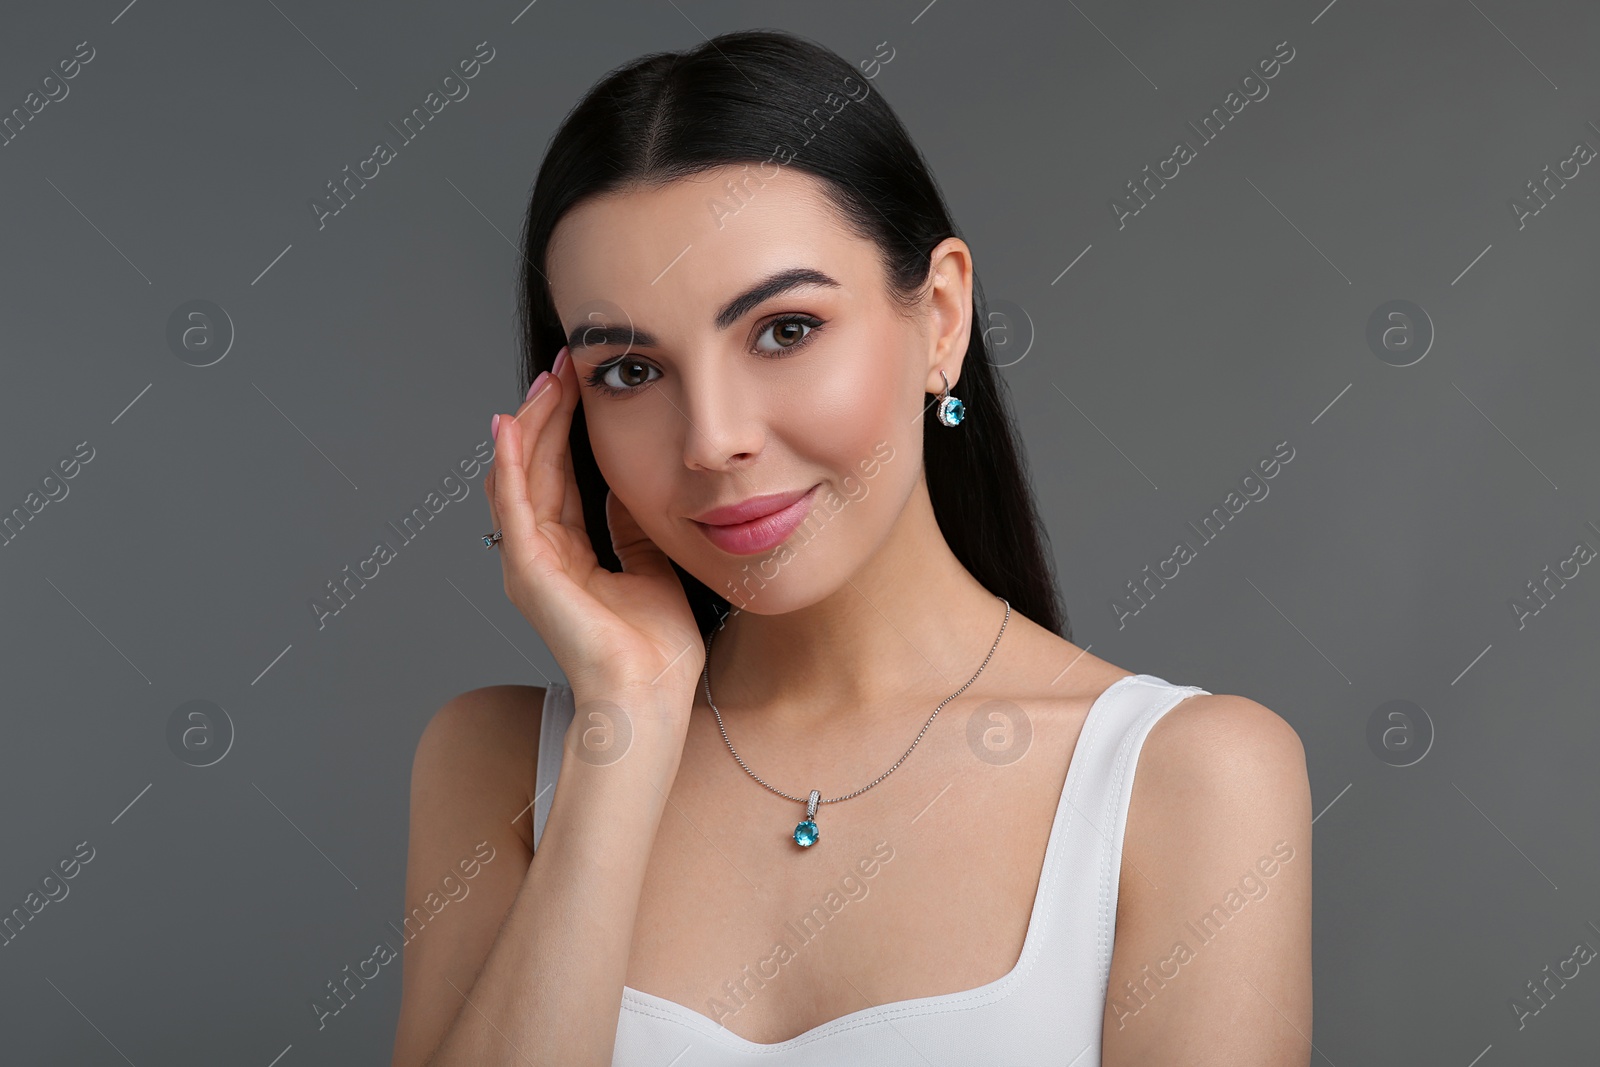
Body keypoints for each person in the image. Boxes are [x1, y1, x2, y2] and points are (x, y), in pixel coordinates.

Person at [391, 27, 1311, 1067]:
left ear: (942, 318)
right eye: (630, 371)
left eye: (783, 329)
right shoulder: (498, 765)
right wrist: (628, 723)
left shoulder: (1187, 777)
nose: (712, 438)